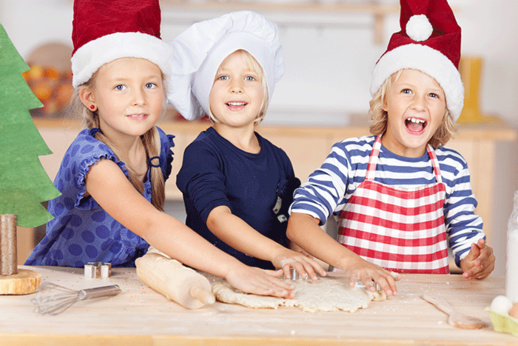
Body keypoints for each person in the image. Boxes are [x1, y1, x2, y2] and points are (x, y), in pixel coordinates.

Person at [25, 0, 295, 298]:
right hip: (67, 287)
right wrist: (234, 269)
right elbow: (151, 223)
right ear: (90, 98)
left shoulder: (158, 147)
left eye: (150, 85)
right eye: (120, 87)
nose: (139, 98)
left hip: (124, 284)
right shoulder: (93, 161)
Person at [287, 0, 495, 293]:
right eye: (406, 91)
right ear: (385, 101)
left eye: (433, 95)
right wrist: (351, 262)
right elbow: (299, 224)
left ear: (445, 110)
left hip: (427, 305)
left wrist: (478, 259)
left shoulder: (451, 168)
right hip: (358, 298)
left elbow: (467, 245)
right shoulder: (351, 157)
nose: (419, 104)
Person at [168, 11, 326, 281]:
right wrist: (278, 254)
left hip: (270, 280)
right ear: (206, 89)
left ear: (265, 91)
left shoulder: (278, 158)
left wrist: (304, 258)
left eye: (250, 78)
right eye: (222, 77)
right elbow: (218, 219)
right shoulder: (203, 153)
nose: (237, 87)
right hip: (213, 279)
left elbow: (293, 222)